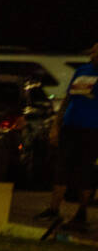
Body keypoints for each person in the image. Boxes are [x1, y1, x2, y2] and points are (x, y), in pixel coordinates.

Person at [49, 46, 98, 235]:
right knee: (62, 165)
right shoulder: (83, 70)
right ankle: (53, 208)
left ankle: (81, 212)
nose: (93, 55)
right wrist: (57, 123)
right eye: (93, 52)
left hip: (92, 128)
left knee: (85, 169)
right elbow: (68, 97)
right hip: (71, 125)